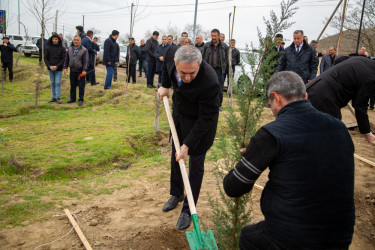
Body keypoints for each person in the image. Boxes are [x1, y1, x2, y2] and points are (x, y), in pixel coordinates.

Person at [224, 71, 355, 249]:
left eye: (270, 104)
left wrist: (253, 154)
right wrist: (262, 150)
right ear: (305, 96)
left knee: (248, 237)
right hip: (340, 236)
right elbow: (307, 152)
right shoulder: (339, 127)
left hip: (292, 238)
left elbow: (233, 187)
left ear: (276, 98)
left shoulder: (271, 134)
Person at [158, 45, 220, 230]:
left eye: (192, 73)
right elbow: (165, 71)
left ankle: (187, 209)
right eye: (183, 72)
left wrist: (187, 145)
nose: (187, 77)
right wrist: (165, 85)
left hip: (201, 124)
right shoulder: (170, 54)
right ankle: (176, 194)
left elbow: (206, 118)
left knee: (194, 166)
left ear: (199, 65)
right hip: (179, 115)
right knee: (176, 156)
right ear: (175, 63)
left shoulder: (210, 82)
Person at [307, 56, 375, 145]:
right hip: (325, 98)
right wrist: (367, 132)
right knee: (334, 135)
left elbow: (341, 60)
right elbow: (360, 106)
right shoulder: (371, 77)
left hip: (313, 89)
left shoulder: (363, 61)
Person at [202, 28, 228, 110]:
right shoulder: (207, 45)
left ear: (219, 36)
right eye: (212, 36)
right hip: (209, 70)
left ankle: (218, 105)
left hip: (219, 71)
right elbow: (202, 58)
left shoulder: (224, 46)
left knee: (219, 88)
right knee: (207, 87)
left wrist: (225, 70)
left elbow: (227, 59)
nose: (213, 37)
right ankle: (207, 103)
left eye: (215, 36)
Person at [63, 35, 89, 106]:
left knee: (81, 86)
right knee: (72, 85)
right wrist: (65, 67)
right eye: (74, 40)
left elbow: (85, 61)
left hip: (80, 71)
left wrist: (84, 69)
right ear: (73, 41)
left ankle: (80, 99)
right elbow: (66, 59)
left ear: (80, 41)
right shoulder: (70, 49)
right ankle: (72, 98)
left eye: (77, 40)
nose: (76, 41)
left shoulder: (84, 50)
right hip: (72, 70)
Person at [44, 33, 66, 104]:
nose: (54, 40)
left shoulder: (62, 49)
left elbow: (63, 59)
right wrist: (49, 66)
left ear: (59, 40)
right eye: (53, 39)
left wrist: (57, 66)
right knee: (52, 83)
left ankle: (58, 97)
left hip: (58, 69)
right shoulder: (48, 48)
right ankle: (53, 96)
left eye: (56, 39)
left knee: (57, 82)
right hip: (50, 68)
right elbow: (45, 58)